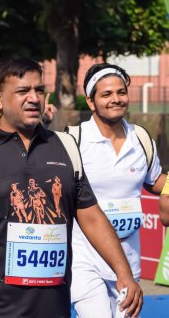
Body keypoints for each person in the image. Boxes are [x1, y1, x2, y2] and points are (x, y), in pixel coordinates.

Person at [0, 58, 142, 318]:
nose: (34, 98)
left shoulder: (66, 147)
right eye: (22, 91)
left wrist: (124, 273)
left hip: (52, 307)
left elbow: (91, 217)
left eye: (39, 90)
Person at [69, 63, 165, 318]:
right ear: (91, 102)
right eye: (106, 94)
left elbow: (156, 181)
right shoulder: (74, 140)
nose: (116, 99)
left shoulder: (141, 139)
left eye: (121, 92)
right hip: (84, 260)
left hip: (129, 262)